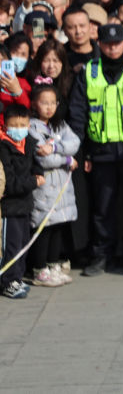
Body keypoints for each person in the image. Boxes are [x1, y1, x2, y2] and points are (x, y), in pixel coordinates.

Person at [67, 23, 123, 276]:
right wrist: (83, 153)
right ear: (100, 44)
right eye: (107, 43)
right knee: (103, 207)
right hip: (101, 151)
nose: (112, 47)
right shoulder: (89, 71)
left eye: (117, 43)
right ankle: (102, 254)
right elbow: (78, 113)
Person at [26, 83, 80, 287]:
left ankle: (52, 263)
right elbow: (43, 159)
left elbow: (74, 142)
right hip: (45, 189)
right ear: (34, 104)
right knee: (44, 228)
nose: (49, 107)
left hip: (62, 188)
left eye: (52, 103)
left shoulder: (60, 125)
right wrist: (67, 160)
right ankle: (39, 269)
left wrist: (56, 146)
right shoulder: (31, 127)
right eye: (44, 103)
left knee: (59, 225)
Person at [0, 104, 44, 299]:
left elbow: (36, 165)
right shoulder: (3, 148)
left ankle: (17, 278)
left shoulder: (29, 143)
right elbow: (9, 183)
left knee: (23, 244)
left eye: (23, 124)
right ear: (5, 126)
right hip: (9, 207)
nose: (19, 129)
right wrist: (33, 182)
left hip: (25, 204)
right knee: (11, 246)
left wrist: (39, 174)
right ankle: (7, 281)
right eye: (14, 125)